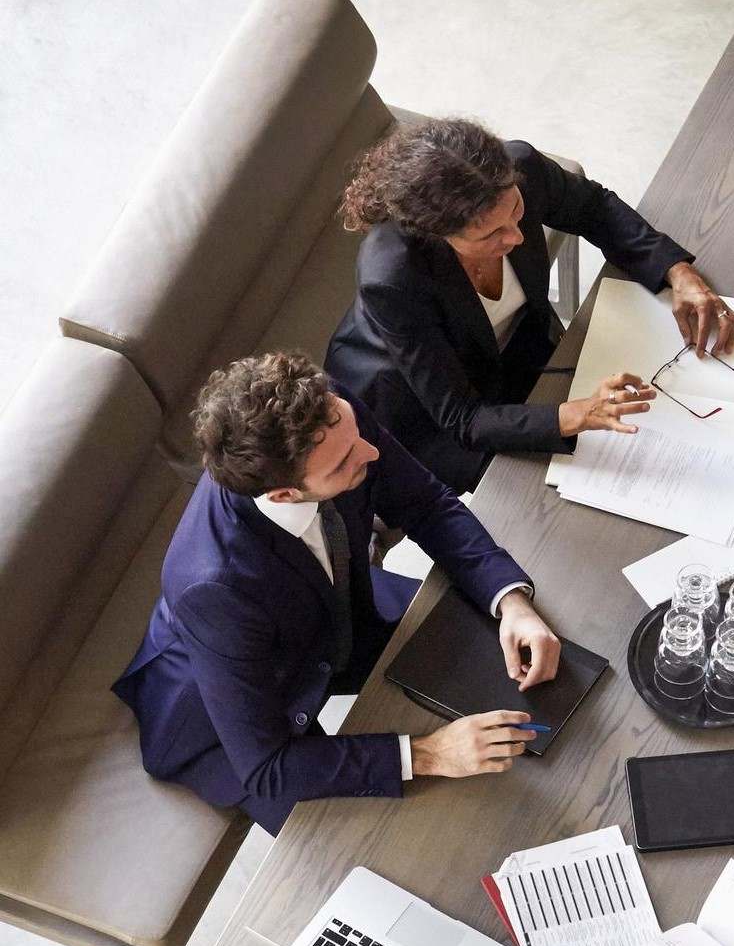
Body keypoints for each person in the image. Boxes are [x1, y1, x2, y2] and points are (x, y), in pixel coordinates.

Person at [114, 351, 563, 835]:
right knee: (395, 836)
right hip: (227, 719)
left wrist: (511, 601)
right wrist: (429, 753)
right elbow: (268, 767)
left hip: (339, 610)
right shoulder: (213, 586)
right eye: (346, 462)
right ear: (284, 494)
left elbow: (426, 502)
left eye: (356, 437)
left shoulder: (331, 420)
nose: (371, 453)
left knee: (511, 670)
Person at [325, 117, 734, 493]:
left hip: (516, 346)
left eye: (516, 211)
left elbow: (593, 208)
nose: (518, 238)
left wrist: (679, 273)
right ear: (437, 234)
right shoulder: (393, 278)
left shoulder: (519, 166)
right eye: (490, 236)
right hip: (422, 402)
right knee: (543, 496)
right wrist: (575, 415)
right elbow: (463, 419)